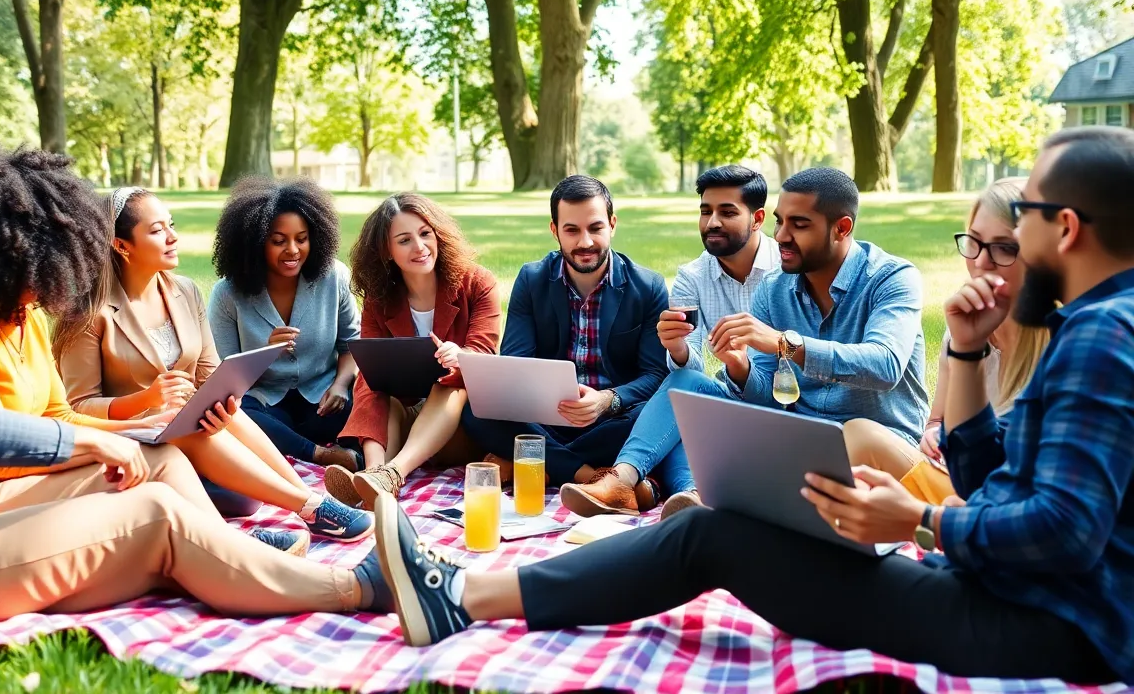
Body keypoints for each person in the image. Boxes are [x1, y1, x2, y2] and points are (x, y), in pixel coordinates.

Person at [371, 126, 1134, 685]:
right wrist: (964, 351)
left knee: (711, 538)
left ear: (1063, 228)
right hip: (1013, 594)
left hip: (1042, 625)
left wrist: (920, 521)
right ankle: (463, 591)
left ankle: (462, 595)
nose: (994, 250)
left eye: (1023, 215)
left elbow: (1063, 535)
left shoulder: (1103, 336)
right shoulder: (1096, 324)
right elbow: (993, 480)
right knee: (717, 525)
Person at [0, 142, 394, 623]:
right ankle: (356, 586)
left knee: (160, 473)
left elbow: (49, 411)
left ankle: (245, 546)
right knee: (157, 514)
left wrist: (133, 430)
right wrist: (99, 440)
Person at [608, 167, 929, 521]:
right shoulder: (775, 289)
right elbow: (769, 400)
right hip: (798, 440)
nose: (782, 236)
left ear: (842, 228)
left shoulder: (892, 278)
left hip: (875, 447)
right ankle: (621, 482)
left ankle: (712, 496)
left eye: (800, 224)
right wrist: (739, 366)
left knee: (853, 434)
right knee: (686, 388)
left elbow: (885, 365)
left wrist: (784, 343)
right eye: (780, 222)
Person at [57, 186, 372, 541]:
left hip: (185, 426)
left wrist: (223, 403)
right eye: (157, 230)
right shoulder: (88, 313)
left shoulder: (185, 291)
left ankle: (305, 495)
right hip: (131, 434)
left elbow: (210, 375)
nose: (173, 236)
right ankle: (310, 507)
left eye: (171, 224)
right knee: (204, 440)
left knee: (243, 476)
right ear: (121, 245)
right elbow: (76, 407)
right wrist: (146, 400)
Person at [559, 164, 779, 518]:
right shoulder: (693, 276)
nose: (712, 223)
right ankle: (655, 488)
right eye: (705, 211)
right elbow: (689, 364)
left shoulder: (785, 273)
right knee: (681, 388)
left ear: (757, 219)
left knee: (679, 411)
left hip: (780, 408)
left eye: (727, 212)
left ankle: (675, 490)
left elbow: (784, 377)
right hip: (728, 406)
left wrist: (739, 364)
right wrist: (677, 349)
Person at [458, 175, 668, 504]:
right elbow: (516, 364)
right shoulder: (531, 279)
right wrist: (546, 403)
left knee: (656, 417)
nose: (585, 242)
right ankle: (588, 475)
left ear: (612, 225)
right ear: (555, 230)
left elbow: (656, 375)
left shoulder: (649, 287)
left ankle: (532, 463)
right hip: (545, 419)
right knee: (474, 411)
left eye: (595, 228)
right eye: (572, 230)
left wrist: (606, 400)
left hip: (612, 420)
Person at [847, 178, 1049, 504]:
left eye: (1005, 247)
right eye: (974, 242)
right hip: (958, 478)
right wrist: (932, 435)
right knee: (858, 435)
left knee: (865, 449)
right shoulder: (964, 325)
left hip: (1009, 501)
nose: (981, 262)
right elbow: (937, 420)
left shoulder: (1064, 343)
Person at [325, 193, 501, 507]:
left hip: (460, 427)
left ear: (438, 236)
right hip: (406, 426)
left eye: (425, 234)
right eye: (404, 240)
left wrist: (461, 356)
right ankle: (376, 477)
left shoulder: (477, 283)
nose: (419, 247)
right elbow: (369, 378)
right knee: (376, 385)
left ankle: (392, 473)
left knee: (449, 383)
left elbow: (485, 353)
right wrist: (373, 463)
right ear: (386, 251)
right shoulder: (380, 300)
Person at [208, 178, 363, 472]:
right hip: (265, 406)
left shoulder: (334, 278)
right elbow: (225, 378)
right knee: (233, 414)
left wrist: (341, 385)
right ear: (254, 243)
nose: (292, 250)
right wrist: (266, 352)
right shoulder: (227, 294)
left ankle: (299, 448)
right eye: (278, 241)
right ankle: (320, 454)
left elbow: (351, 344)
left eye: (301, 239)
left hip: (325, 401)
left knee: (369, 397)